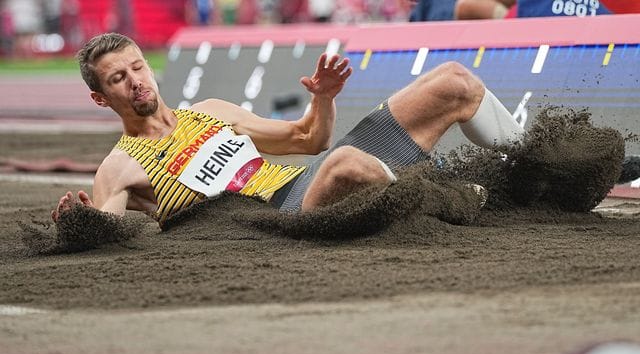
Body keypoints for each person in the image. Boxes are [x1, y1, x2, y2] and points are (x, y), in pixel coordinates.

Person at [51, 33, 524, 227]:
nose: (136, 83)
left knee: (453, 81)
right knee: (345, 164)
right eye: (119, 79)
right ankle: (461, 197)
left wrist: (323, 98)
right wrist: (78, 224)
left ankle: (538, 165)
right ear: (101, 97)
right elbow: (107, 228)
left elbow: (307, 140)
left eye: (138, 68)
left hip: (306, 186)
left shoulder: (211, 110)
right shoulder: (119, 166)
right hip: (274, 225)